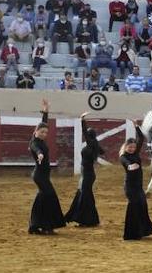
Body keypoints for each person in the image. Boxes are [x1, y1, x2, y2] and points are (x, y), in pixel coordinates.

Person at [28, 99, 67, 235]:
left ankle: (35, 226)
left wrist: (45, 112)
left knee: (43, 198)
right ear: (36, 131)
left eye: (46, 132)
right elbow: (35, 148)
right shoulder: (34, 142)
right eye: (42, 132)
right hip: (40, 176)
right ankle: (46, 226)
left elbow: (43, 123)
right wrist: (39, 154)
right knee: (50, 196)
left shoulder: (40, 139)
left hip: (43, 175)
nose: (44, 134)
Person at [64, 112, 105, 227]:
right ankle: (89, 219)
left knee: (84, 196)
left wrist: (82, 120)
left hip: (87, 174)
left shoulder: (91, 143)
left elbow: (84, 132)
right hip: (88, 173)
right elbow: (102, 152)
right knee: (86, 196)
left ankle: (85, 219)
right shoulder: (94, 144)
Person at [120, 125, 152, 240]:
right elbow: (126, 164)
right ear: (126, 147)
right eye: (130, 147)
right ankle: (131, 234)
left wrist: (136, 126)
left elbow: (141, 137)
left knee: (142, 205)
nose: (132, 149)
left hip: (138, 186)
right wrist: (131, 166)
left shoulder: (136, 153)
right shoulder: (123, 156)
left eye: (133, 147)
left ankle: (142, 231)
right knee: (133, 207)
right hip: (130, 187)